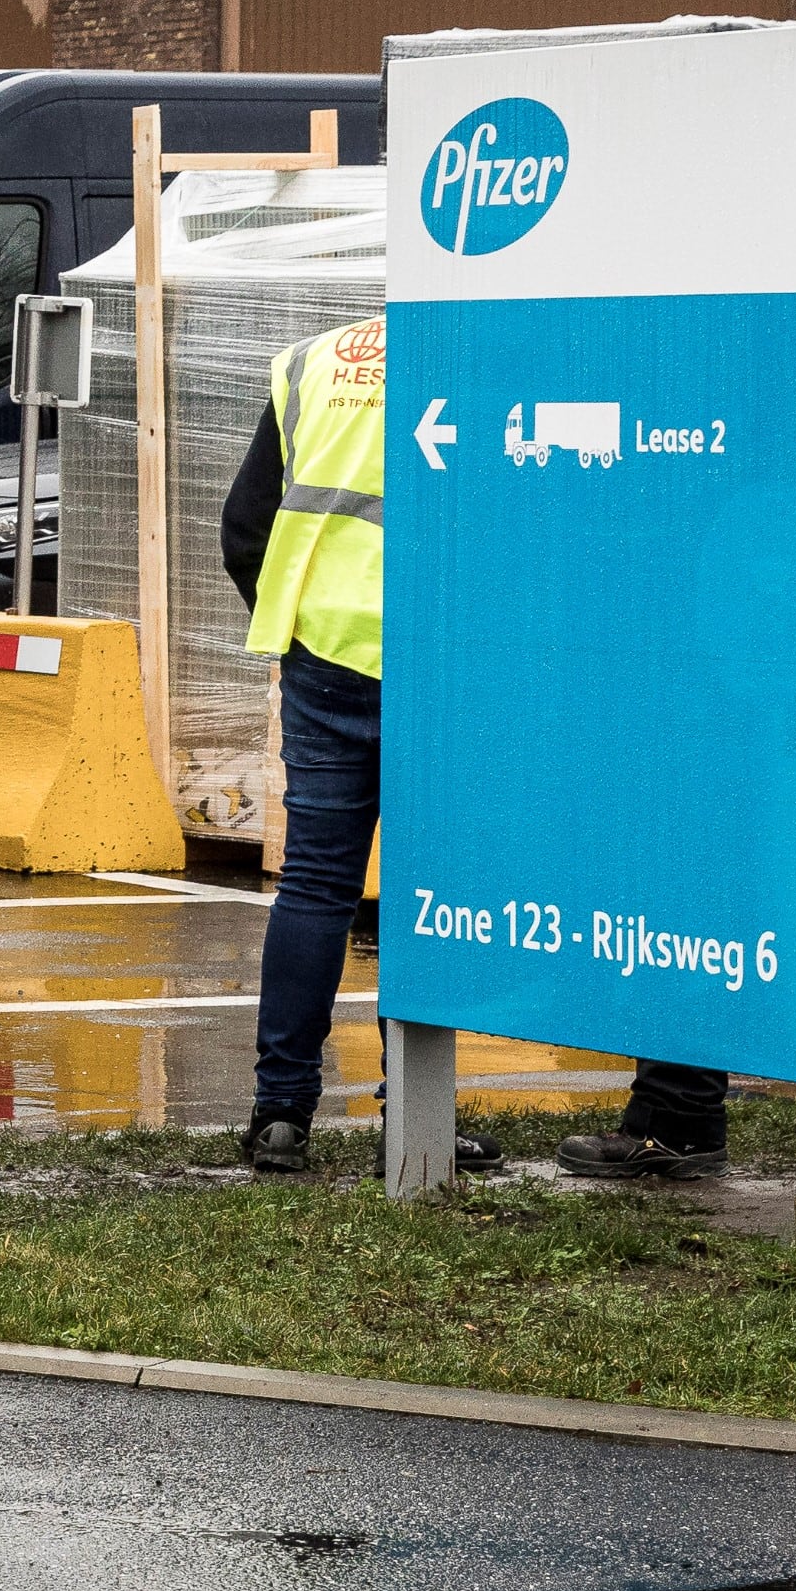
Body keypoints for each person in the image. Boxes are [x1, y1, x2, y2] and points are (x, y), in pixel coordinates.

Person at [226, 310, 497, 1178]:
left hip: (327, 659)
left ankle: (280, 1117)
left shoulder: (311, 359)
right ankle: (414, 1117)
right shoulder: (477, 362)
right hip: (444, 663)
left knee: (314, 884)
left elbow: (244, 526)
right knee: (425, 890)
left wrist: (304, 630)